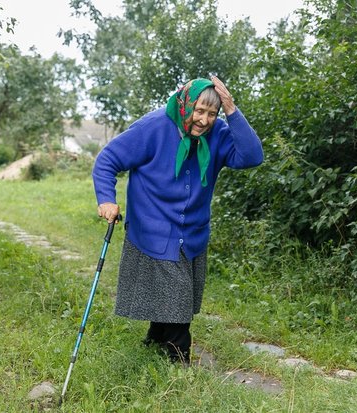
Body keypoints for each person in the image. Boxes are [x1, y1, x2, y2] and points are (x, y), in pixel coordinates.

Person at [92, 75, 263, 364]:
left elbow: (252, 156)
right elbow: (107, 160)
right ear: (186, 105)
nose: (205, 120)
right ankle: (178, 362)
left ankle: (154, 340)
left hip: (193, 231)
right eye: (199, 111)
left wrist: (232, 110)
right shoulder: (155, 126)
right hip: (153, 224)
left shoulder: (219, 133)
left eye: (212, 113)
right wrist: (106, 199)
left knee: (176, 291)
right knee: (178, 297)